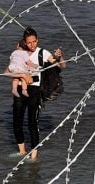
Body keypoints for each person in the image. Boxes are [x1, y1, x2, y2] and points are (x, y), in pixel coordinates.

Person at [12, 26, 65, 160]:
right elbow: (7, 71)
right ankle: (22, 152)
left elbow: (61, 66)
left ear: (37, 40)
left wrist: (60, 57)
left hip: (35, 90)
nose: (32, 45)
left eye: (34, 41)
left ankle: (34, 156)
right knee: (17, 122)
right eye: (29, 42)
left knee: (32, 122)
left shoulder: (43, 53)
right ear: (24, 42)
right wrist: (23, 76)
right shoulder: (19, 53)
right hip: (19, 89)